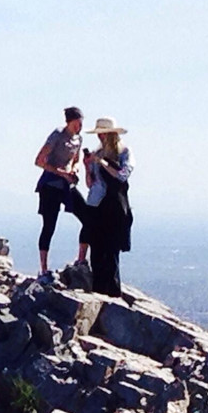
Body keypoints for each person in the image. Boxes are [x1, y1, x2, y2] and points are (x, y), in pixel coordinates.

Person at [81, 117, 134, 297]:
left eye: (103, 134)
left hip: (115, 207)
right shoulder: (98, 152)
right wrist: (88, 167)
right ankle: (98, 289)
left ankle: (112, 292)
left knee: (111, 252)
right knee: (97, 251)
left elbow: (122, 175)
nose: (101, 137)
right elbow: (91, 184)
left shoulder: (124, 152)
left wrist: (103, 163)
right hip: (97, 205)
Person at [34, 107, 83, 278]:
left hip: (66, 184)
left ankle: (81, 259)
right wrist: (61, 172)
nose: (80, 126)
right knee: (49, 225)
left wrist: (74, 170)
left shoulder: (79, 139)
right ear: (69, 122)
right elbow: (39, 161)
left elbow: (75, 160)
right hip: (50, 184)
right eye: (77, 123)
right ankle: (44, 269)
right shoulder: (57, 135)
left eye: (81, 123)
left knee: (87, 215)